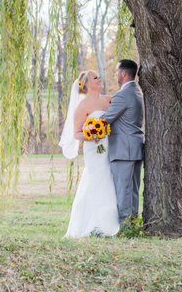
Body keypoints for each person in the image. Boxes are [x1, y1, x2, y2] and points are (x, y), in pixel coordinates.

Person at [59, 70, 119, 238]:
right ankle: (90, 224)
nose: (100, 79)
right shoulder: (82, 106)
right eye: (95, 78)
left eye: (99, 76)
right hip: (94, 149)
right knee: (96, 179)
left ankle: (109, 222)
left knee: (110, 178)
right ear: (86, 84)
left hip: (110, 146)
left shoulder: (108, 100)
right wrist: (93, 135)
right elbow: (77, 133)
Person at [102, 59, 144, 226]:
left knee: (123, 190)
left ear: (123, 73)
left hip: (123, 149)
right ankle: (132, 222)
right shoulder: (137, 92)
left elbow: (106, 119)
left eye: (117, 71)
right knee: (132, 189)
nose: (116, 74)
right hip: (134, 147)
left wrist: (90, 120)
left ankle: (125, 225)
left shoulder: (123, 95)